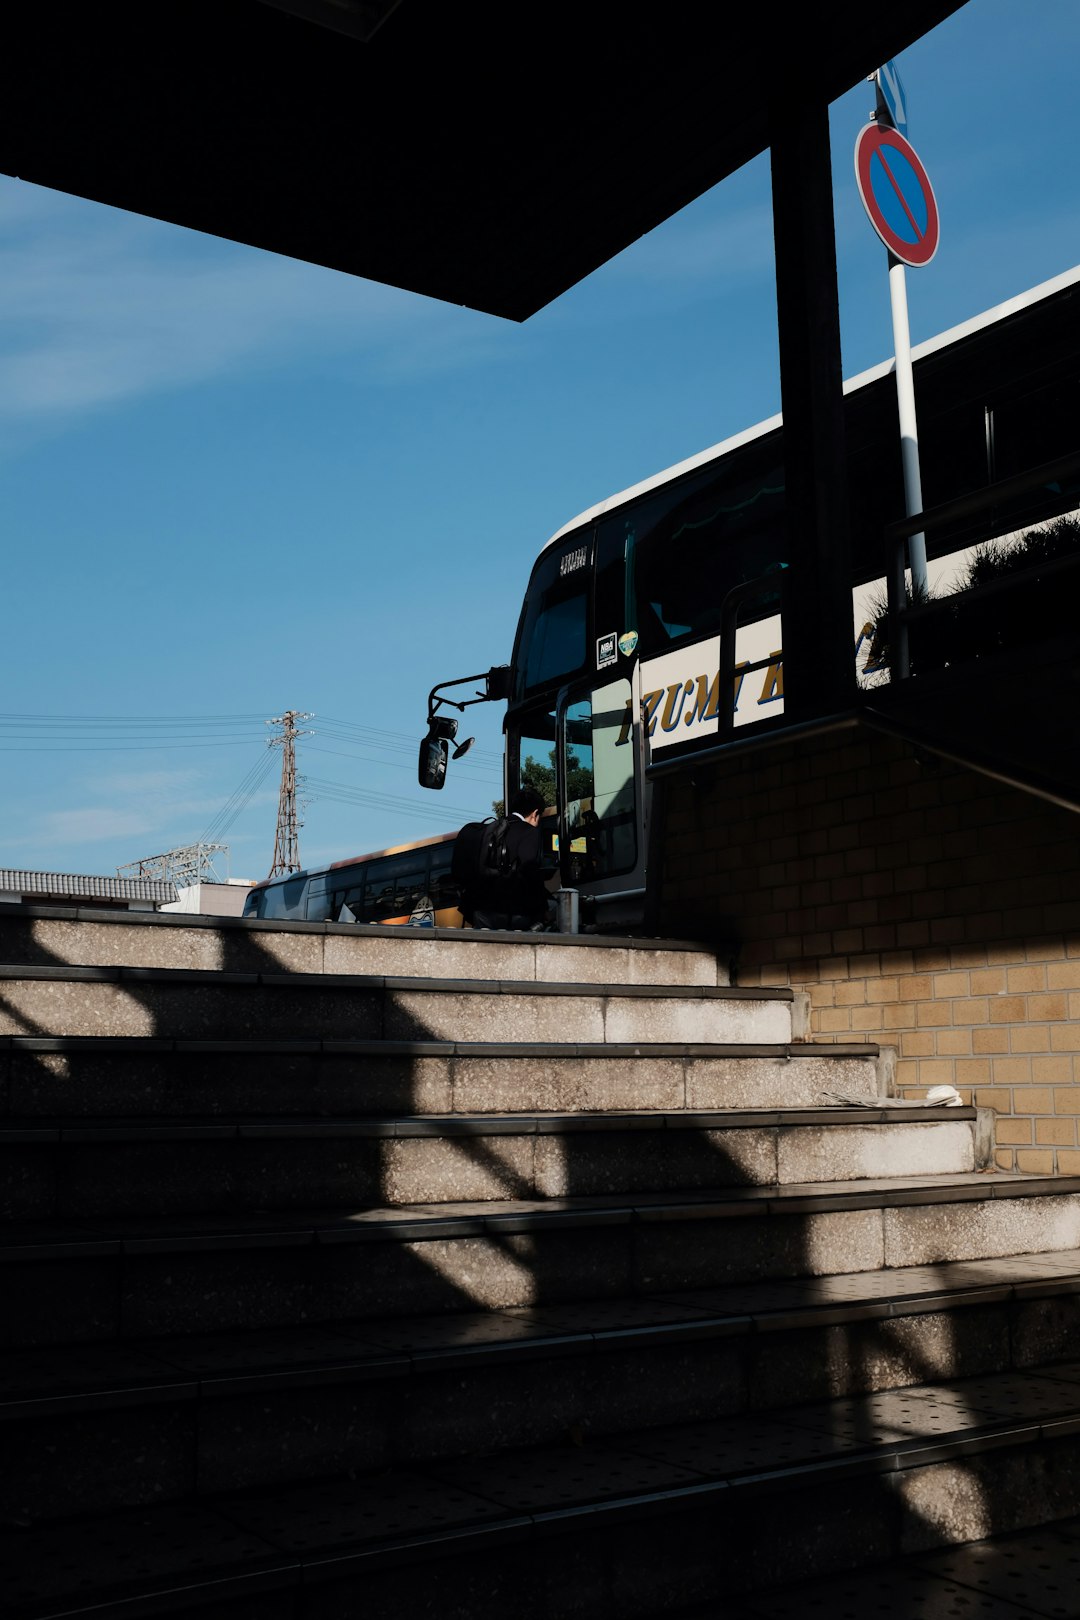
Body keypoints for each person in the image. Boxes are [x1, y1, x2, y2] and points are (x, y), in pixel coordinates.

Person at [468, 787, 554, 932]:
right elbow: (529, 870)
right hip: (513, 913)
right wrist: (543, 907)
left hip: (480, 910)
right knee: (556, 908)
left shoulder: (490, 829)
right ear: (535, 814)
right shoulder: (529, 832)